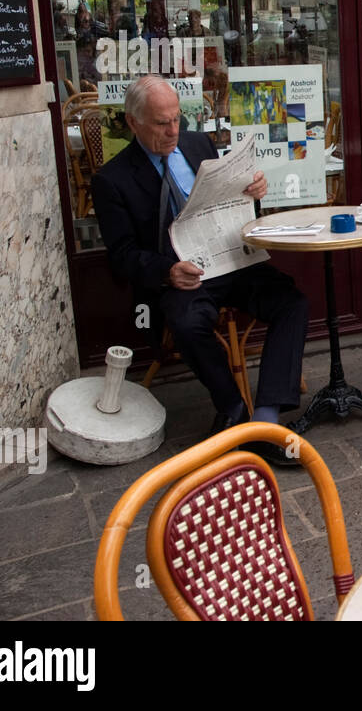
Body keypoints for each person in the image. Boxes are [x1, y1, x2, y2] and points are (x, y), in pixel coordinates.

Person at [91, 76, 309, 465]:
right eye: (161, 123)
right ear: (133, 122)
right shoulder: (112, 180)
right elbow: (123, 255)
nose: (173, 130)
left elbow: (226, 203)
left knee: (291, 302)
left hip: (231, 262)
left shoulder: (196, 144)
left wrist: (251, 192)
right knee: (188, 323)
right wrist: (167, 272)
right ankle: (231, 407)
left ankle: (267, 417)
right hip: (181, 277)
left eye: (177, 119)